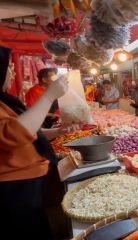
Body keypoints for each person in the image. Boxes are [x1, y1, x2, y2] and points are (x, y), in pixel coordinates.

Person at [0, 45, 80, 239]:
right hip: (13, 190)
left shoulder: (4, 102)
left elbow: (30, 130)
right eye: (8, 66)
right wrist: (49, 95)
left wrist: (58, 131)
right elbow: (14, 134)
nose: (11, 71)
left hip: (25, 185)